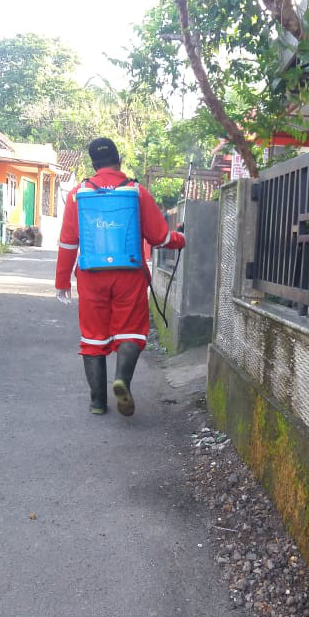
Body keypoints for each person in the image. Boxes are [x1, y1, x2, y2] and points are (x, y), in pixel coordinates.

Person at [54, 137, 185, 417]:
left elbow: (67, 242)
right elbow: (159, 236)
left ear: (93, 164)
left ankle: (98, 402)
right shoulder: (136, 192)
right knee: (131, 331)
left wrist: (62, 282)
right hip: (129, 274)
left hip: (91, 275)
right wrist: (179, 238)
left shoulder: (78, 194)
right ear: (119, 161)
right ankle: (122, 380)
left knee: (93, 337)